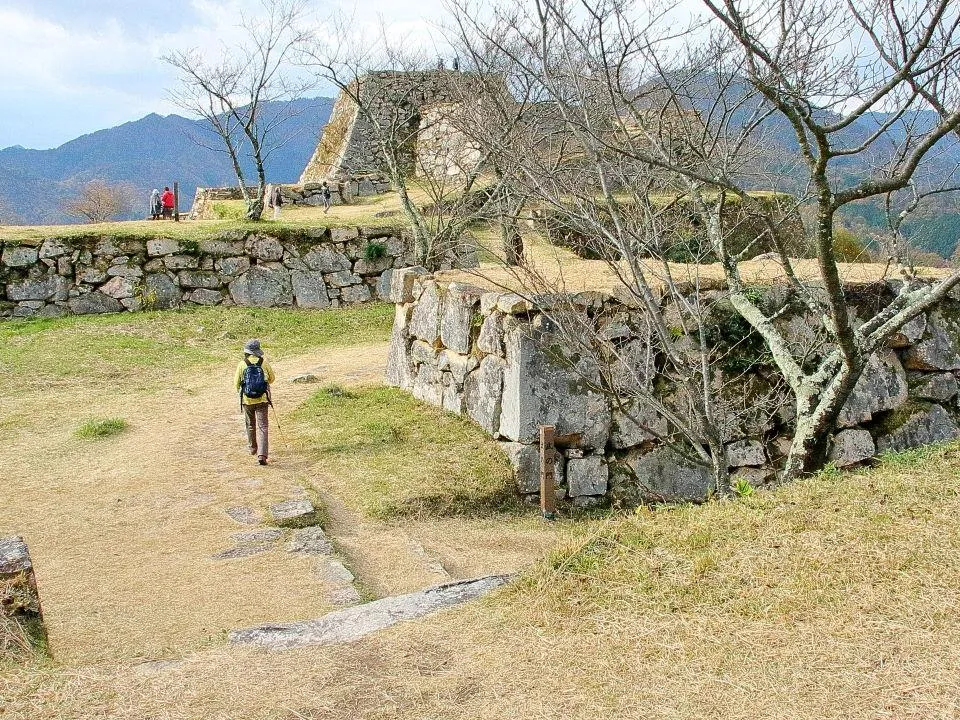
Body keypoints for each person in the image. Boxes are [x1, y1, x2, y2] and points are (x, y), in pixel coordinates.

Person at [234, 339, 275, 466]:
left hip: (247, 400)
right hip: (262, 399)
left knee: (250, 424)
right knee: (263, 426)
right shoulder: (264, 363)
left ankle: (252, 448)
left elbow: (236, 383)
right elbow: (272, 379)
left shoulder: (242, 364)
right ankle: (262, 455)